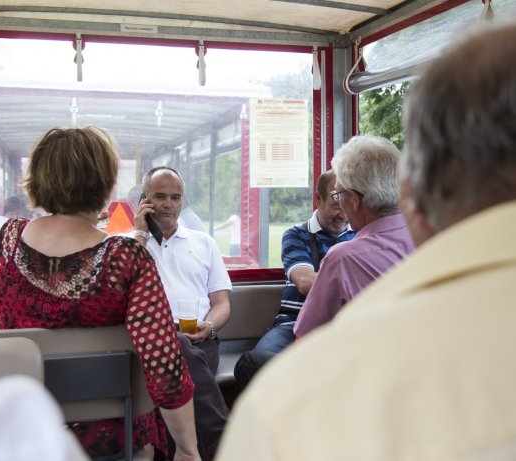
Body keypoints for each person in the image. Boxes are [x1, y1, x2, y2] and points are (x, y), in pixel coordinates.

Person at [216, 23, 516, 461]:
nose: (338, 206)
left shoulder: (281, 413)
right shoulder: (305, 237)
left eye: (341, 197)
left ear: (411, 194)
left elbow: (308, 337)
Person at [0, 127, 200, 461]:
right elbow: (163, 364)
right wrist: (188, 450)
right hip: (114, 438)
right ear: (104, 181)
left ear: (38, 179)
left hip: (26, 433)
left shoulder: (7, 240)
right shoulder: (125, 258)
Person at [135, 166, 232, 460]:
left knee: (183, 351)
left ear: (183, 202)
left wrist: (210, 328)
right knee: (175, 346)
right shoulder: (129, 245)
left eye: (175, 197)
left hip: (200, 339)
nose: (168, 204)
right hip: (151, 345)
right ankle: (224, 445)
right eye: (160, 196)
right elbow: (124, 288)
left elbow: (222, 304)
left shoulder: (204, 243)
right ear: (144, 200)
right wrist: (141, 232)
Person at [233, 170, 355, 391]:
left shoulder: (360, 236)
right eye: (336, 205)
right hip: (293, 324)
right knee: (257, 363)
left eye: (347, 206)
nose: (343, 215)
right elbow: (305, 282)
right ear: (317, 199)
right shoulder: (296, 235)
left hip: (341, 326)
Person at [292, 135, 414, 338]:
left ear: (355, 201)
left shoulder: (342, 259)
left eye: (339, 194)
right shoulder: (432, 239)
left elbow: (306, 338)